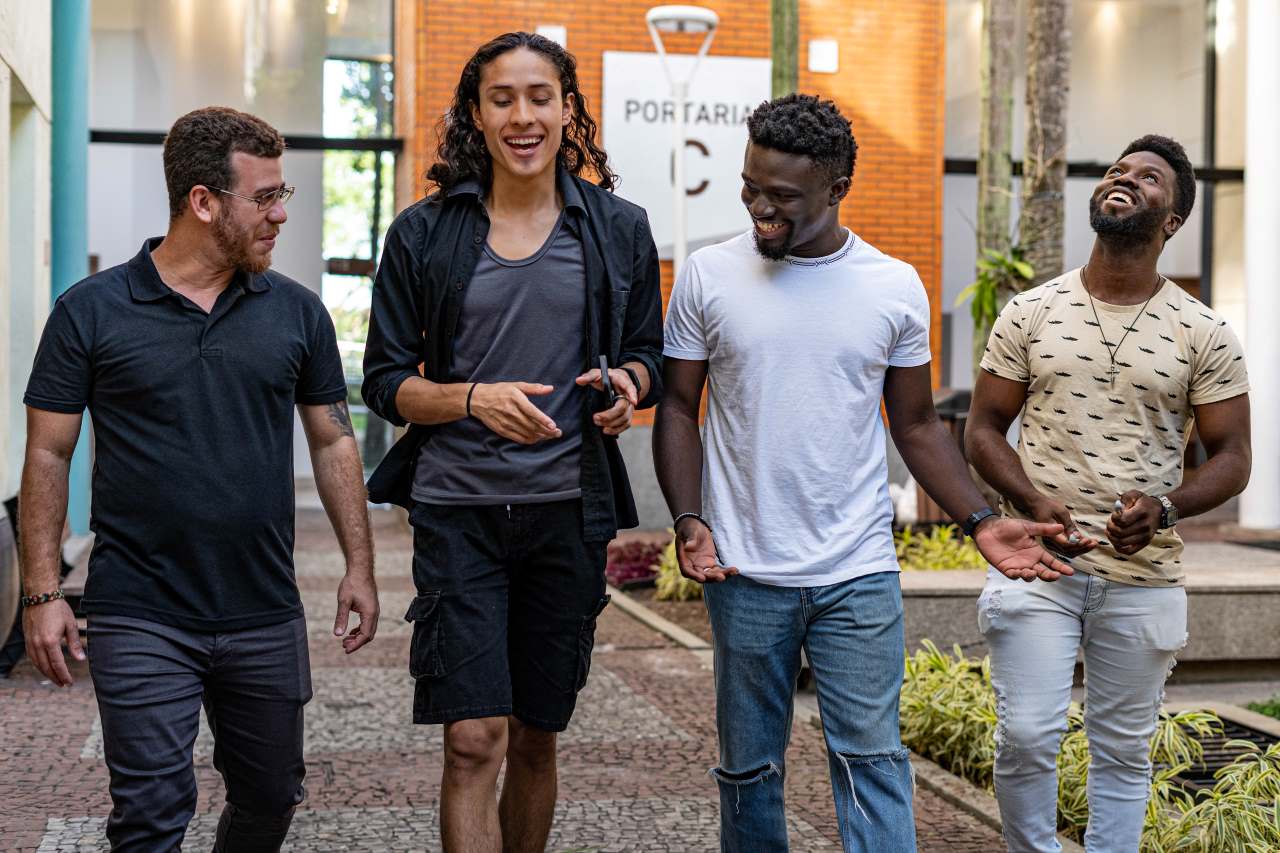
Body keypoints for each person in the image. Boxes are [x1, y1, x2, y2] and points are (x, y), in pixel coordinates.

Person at [653, 93, 1070, 853]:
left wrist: (979, 520)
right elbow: (679, 407)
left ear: (837, 187)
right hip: (744, 570)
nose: (760, 209)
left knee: (871, 760)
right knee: (747, 769)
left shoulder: (892, 285)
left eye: (782, 196)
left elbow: (912, 425)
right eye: (751, 187)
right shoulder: (708, 274)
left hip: (859, 571)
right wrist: (689, 518)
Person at [19, 106, 379, 852]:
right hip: (140, 607)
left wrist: (361, 565)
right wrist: (43, 589)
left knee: (271, 795)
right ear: (204, 201)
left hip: (262, 606)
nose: (281, 214)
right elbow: (49, 453)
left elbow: (334, 442)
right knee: (150, 814)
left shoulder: (298, 314)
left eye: (286, 195)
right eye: (265, 197)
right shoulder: (91, 312)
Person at [360, 32, 663, 853]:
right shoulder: (425, 233)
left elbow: (646, 357)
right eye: (502, 98)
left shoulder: (618, 229)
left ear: (568, 110)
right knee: (472, 738)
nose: (522, 115)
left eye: (540, 97)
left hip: (570, 512)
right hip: (459, 513)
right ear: (475, 113)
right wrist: (469, 399)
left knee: (535, 733)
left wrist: (626, 390)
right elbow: (384, 380)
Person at [965, 135, 1250, 853]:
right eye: (1119, 170)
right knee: (1028, 734)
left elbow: (1235, 457)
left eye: (1148, 178)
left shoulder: (1204, 330)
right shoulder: (1030, 311)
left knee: (1124, 751)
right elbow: (984, 430)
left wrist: (1168, 507)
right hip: (1041, 563)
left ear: (1173, 219)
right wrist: (1028, 498)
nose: (1124, 178)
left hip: (1145, 578)